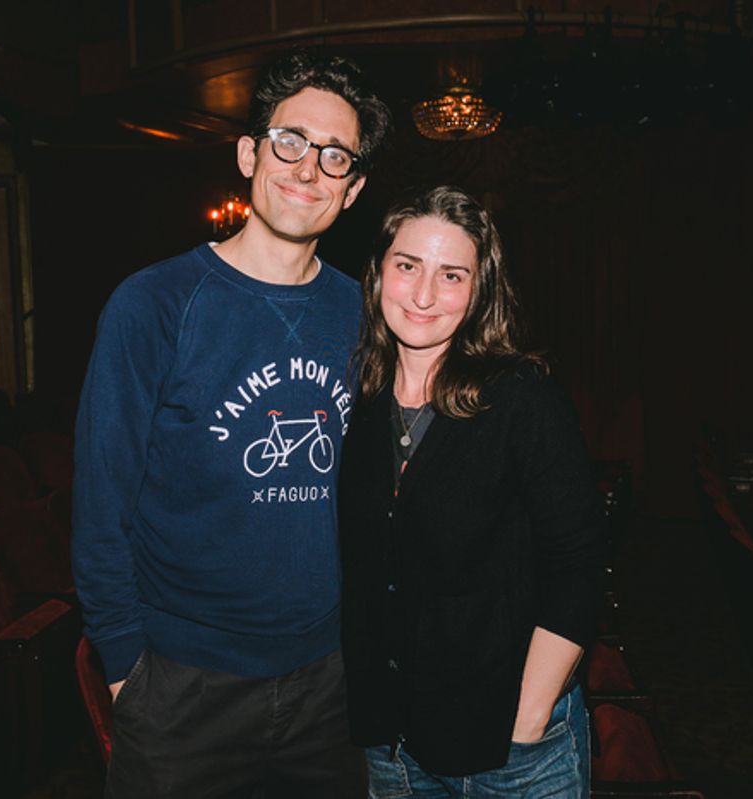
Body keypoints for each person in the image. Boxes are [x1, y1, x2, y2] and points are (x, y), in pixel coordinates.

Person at [72, 49, 391, 798]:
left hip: (329, 686)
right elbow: (99, 506)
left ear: (353, 190)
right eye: (290, 141)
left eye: (335, 155)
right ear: (249, 153)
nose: (308, 168)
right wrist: (126, 675)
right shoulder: (152, 305)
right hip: (184, 690)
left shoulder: (366, 314)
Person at [338, 186, 608, 797]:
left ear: (479, 290)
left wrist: (527, 718)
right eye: (407, 266)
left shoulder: (521, 399)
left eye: (451, 275)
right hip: (395, 747)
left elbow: (579, 567)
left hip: (509, 753)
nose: (425, 295)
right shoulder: (363, 403)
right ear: (379, 273)